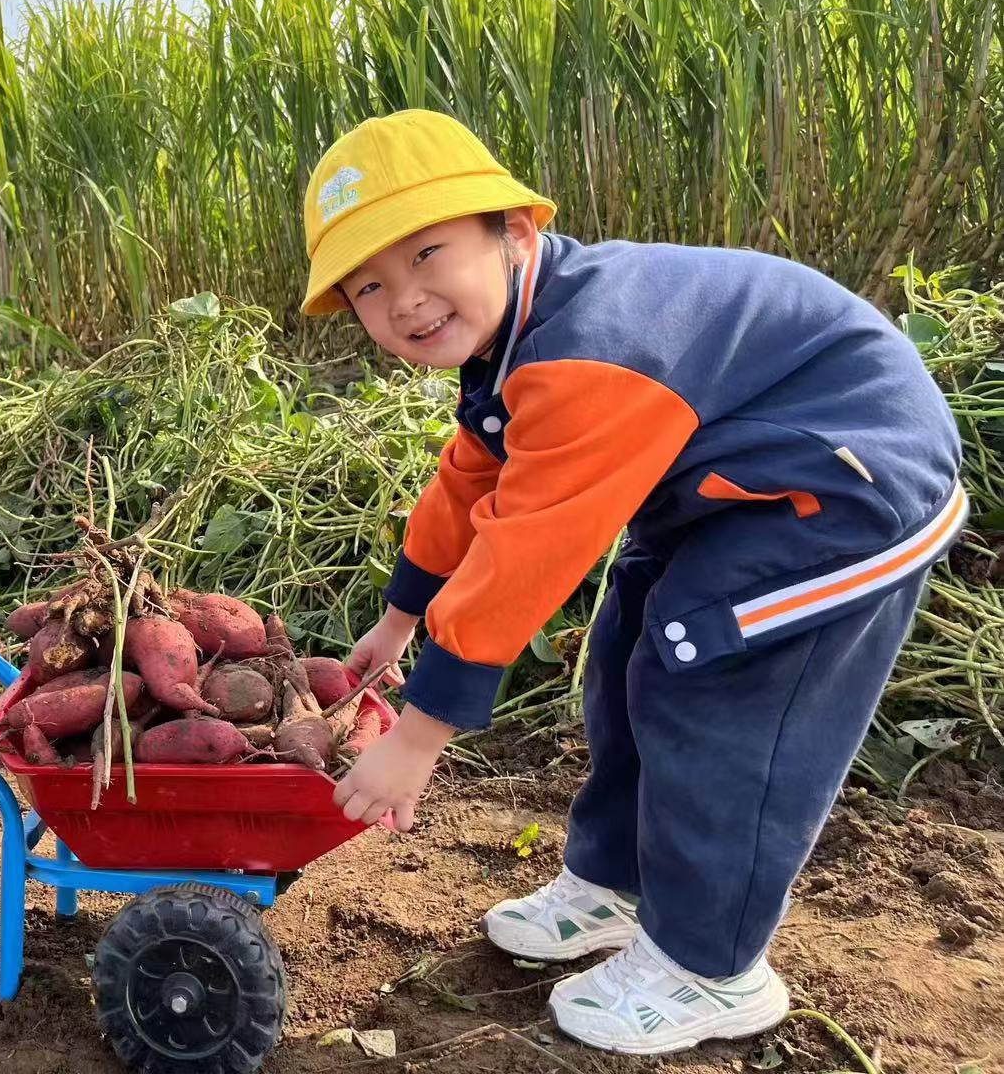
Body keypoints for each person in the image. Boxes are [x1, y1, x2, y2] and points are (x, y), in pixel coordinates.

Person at [306, 109, 965, 1055]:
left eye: (426, 254)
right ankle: (615, 884)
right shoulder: (515, 340)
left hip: (845, 488)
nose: (403, 298)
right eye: (368, 285)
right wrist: (401, 615)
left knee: (706, 689)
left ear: (515, 232)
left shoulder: (586, 349)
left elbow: (526, 549)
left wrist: (418, 735)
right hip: (731, 490)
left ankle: (712, 968)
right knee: (621, 655)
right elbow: (469, 483)